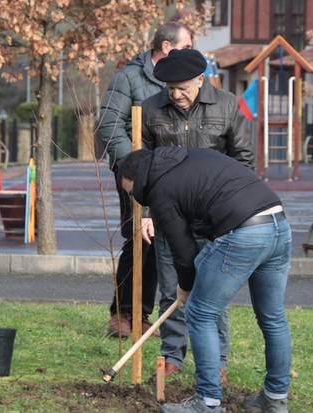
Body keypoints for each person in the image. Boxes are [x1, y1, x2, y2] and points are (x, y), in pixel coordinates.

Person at [118, 147, 292, 413]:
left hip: (244, 232)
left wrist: (186, 287)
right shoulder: (190, 157)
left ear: (138, 177)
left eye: (131, 191)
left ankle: (207, 402)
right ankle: (275, 398)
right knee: (273, 317)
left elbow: (184, 252)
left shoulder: (160, 191)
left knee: (201, 313)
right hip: (278, 224)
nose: (134, 197)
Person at [140, 48, 253, 381]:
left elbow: (243, 161)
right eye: (170, 88)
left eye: (183, 88)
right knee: (171, 290)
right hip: (167, 215)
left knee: (212, 290)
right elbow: (143, 166)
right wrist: (147, 210)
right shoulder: (150, 110)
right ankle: (172, 356)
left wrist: (233, 211)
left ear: (201, 79)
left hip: (214, 219)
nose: (176, 95)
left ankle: (216, 361)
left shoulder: (227, 105)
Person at [96, 23, 194, 337]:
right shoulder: (129, 78)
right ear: (167, 47)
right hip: (136, 173)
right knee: (139, 238)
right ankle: (123, 314)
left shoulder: (181, 79)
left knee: (164, 240)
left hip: (173, 172)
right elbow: (110, 126)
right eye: (187, 44)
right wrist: (137, 166)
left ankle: (144, 314)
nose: (192, 51)